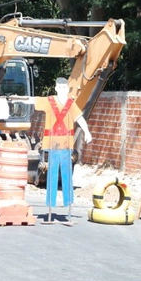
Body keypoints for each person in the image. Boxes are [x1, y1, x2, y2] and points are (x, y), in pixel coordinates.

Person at [36, 77, 92, 225]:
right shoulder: (49, 102)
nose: (62, 89)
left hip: (66, 146)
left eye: (64, 87)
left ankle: (69, 207)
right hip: (53, 144)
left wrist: (87, 132)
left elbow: (80, 118)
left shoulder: (71, 104)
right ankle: (50, 207)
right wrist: (16, 99)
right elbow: (33, 101)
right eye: (59, 87)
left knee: (67, 177)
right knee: (52, 176)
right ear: (56, 88)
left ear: (67, 89)